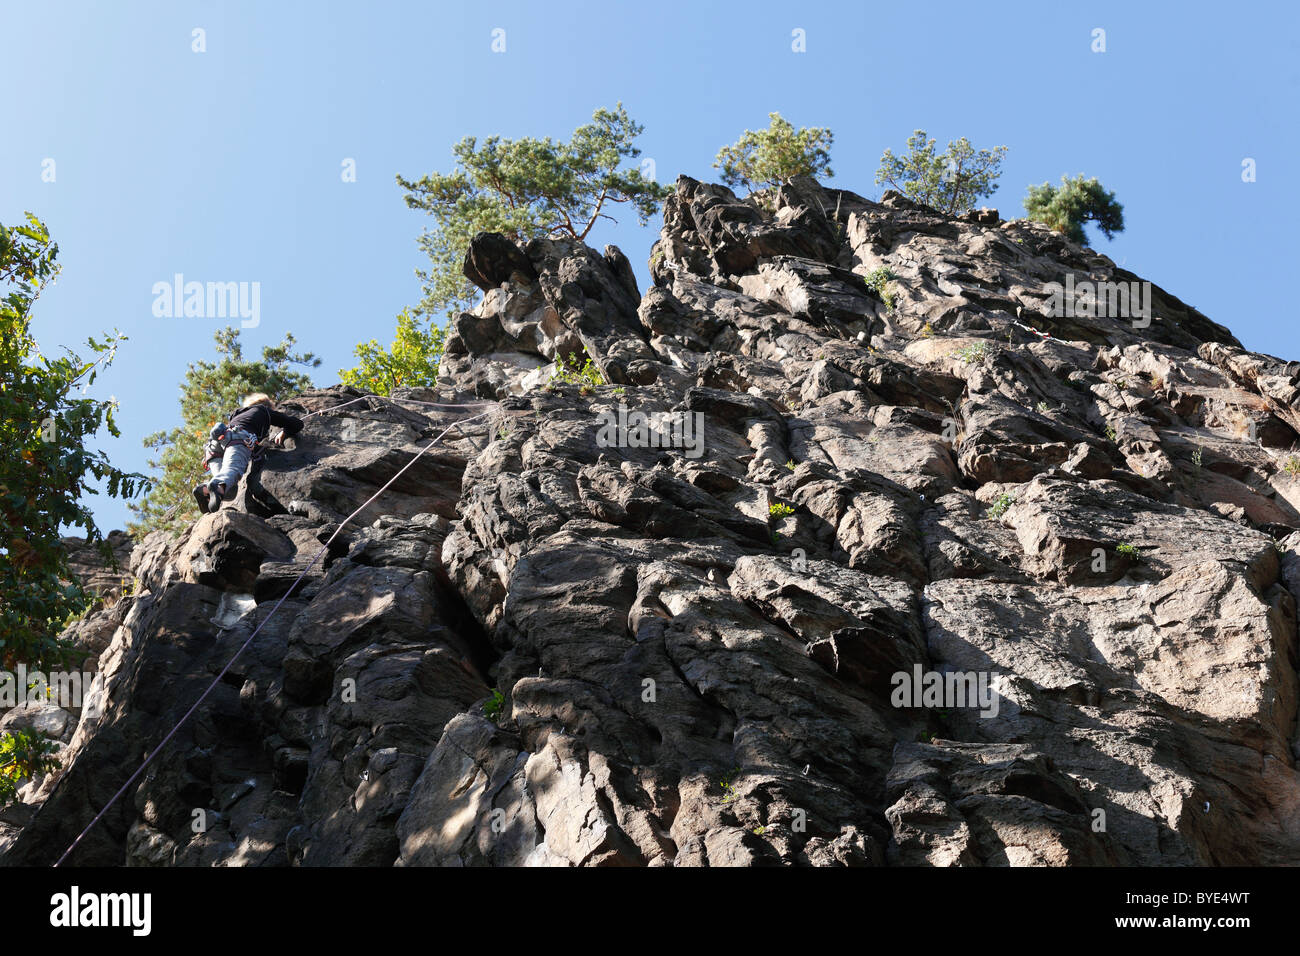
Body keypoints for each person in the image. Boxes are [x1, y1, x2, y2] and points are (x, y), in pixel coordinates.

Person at [193, 393, 304, 514]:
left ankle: (205, 490)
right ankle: (216, 486)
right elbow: (297, 424)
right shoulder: (263, 410)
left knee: (230, 490)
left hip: (214, 447)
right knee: (232, 470)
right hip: (237, 438)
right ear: (267, 406)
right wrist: (285, 432)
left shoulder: (237, 414)